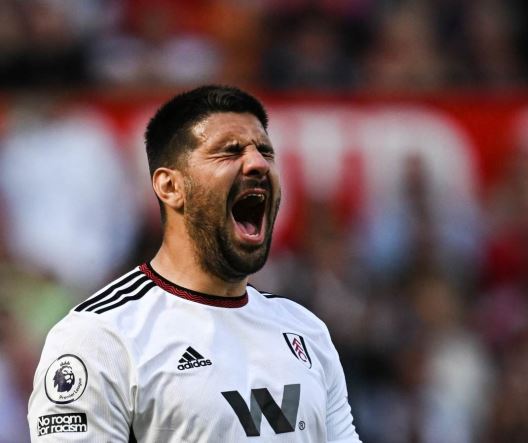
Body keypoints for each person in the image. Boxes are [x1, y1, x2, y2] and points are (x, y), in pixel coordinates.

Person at [28, 85, 361, 442]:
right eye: (229, 151)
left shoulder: (305, 331)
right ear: (171, 187)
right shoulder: (101, 338)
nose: (258, 164)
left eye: (266, 151)